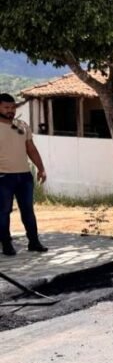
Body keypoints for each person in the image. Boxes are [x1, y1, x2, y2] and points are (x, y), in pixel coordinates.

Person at [0, 93, 48, 256]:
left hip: (24, 176)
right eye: (6, 107)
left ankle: (34, 242)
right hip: (3, 177)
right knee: (4, 211)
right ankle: (6, 244)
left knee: (28, 210)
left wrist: (41, 168)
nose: (10, 111)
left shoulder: (22, 125)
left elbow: (31, 149)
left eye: (12, 107)